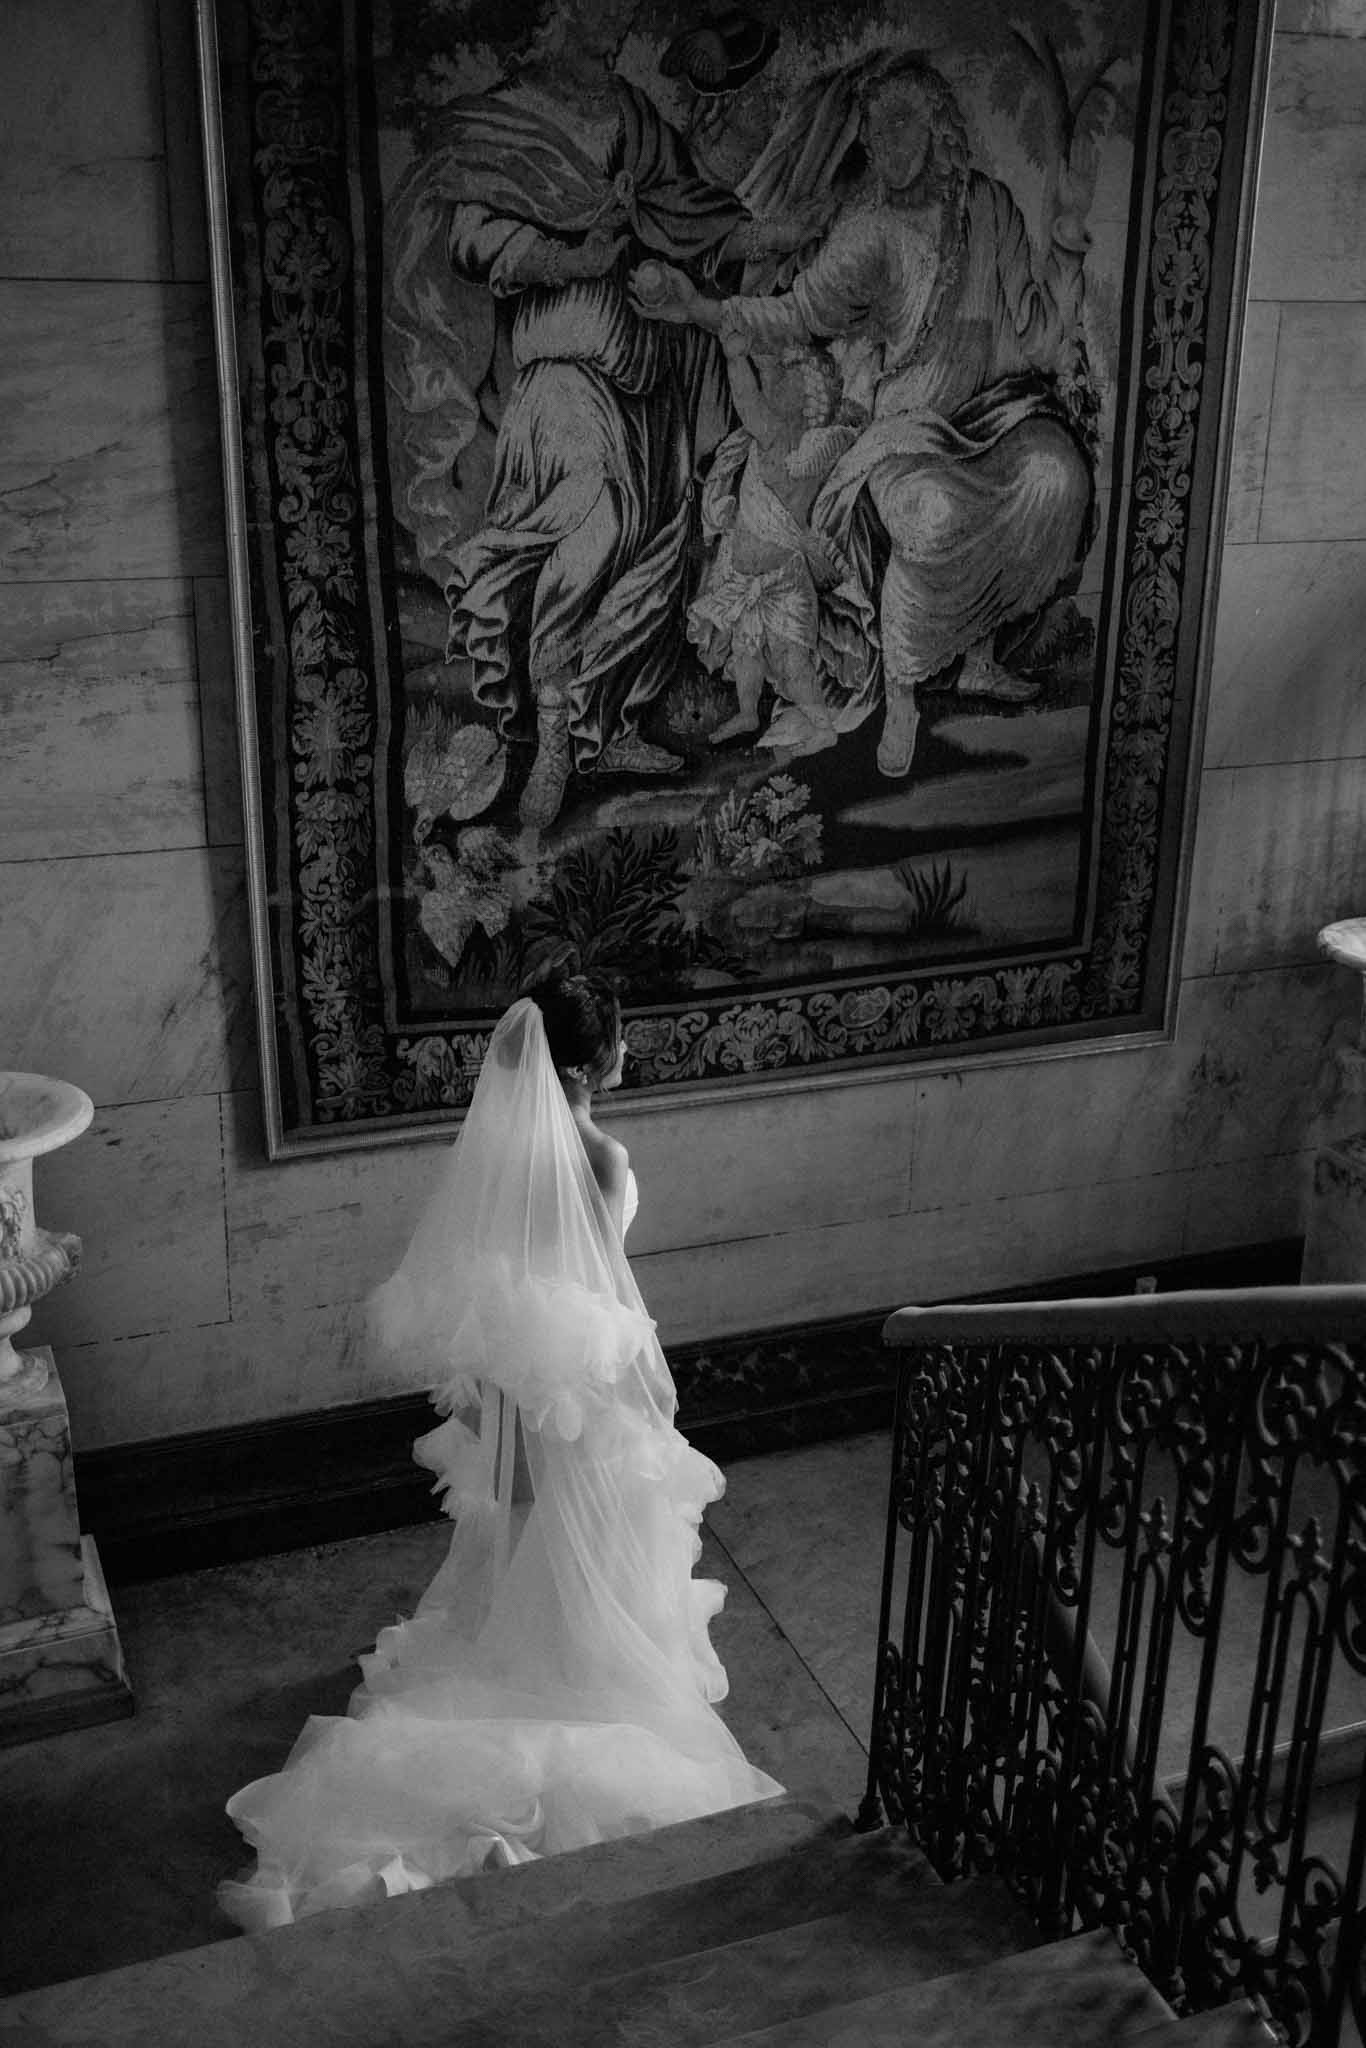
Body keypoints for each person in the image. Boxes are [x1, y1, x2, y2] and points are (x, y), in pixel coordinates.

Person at [219, 974, 781, 1930]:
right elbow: (603, 1289)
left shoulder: (504, 1162)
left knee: (530, 1527)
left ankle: (535, 1637)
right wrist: (648, 1390)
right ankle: (581, 1664)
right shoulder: (602, 1158)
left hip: (526, 1388)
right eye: (622, 1039)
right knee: (595, 1534)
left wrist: (495, 1403)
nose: (627, 1052)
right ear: (597, 1060)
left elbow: (502, 1295)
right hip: (586, 1390)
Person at [630, 57, 1098, 781]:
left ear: (939, 125)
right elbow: (795, 314)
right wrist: (698, 309)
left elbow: (1037, 336)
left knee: (1058, 477)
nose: (882, 141)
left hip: (992, 419)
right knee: (932, 515)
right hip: (903, 432)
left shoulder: (990, 206)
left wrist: (1066, 240)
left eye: (899, 121)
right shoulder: (871, 231)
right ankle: (906, 693)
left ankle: (975, 660)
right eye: (873, 128)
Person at [687, 334, 868, 756]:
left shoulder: (779, 439)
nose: (773, 384)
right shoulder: (816, 441)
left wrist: (734, 358)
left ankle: (823, 726)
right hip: (746, 575)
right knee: (746, 647)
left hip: (785, 582)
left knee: (791, 662)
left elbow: (746, 396)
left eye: (784, 380)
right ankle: (748, 711)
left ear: (801, 400)